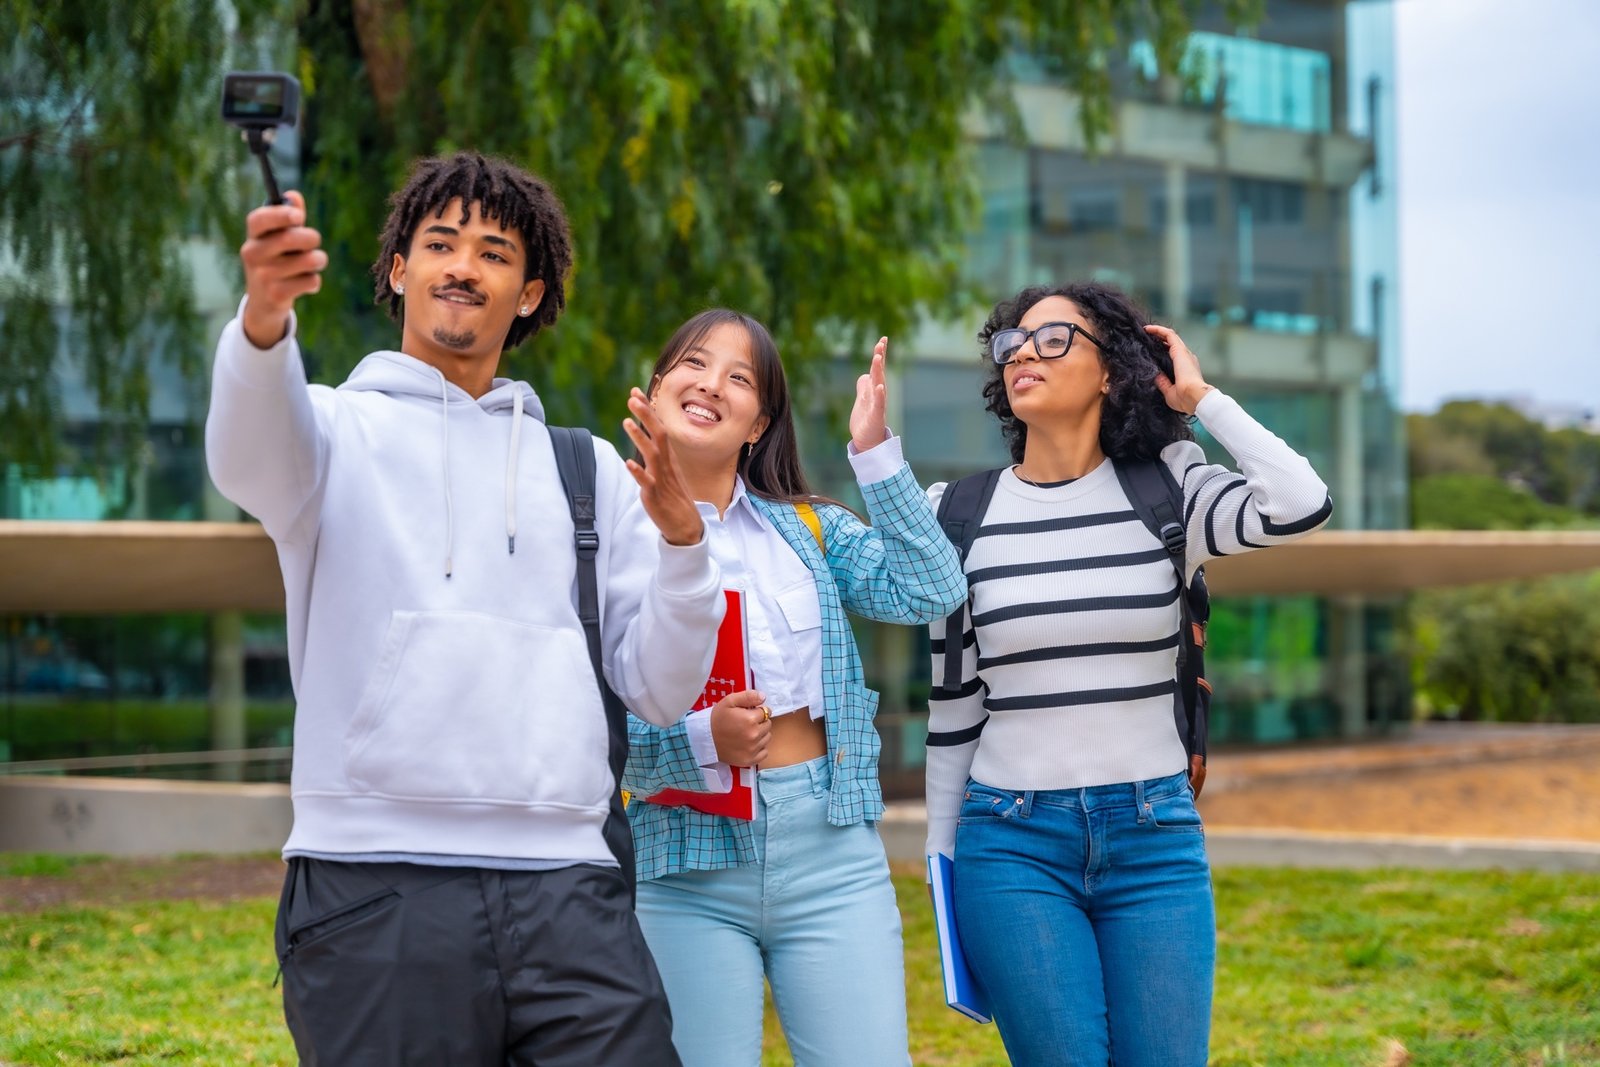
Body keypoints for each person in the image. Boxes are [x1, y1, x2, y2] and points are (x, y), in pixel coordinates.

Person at [205, 152, 724, 1066]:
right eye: (440, 243)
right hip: (374, 882)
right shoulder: (329, 430)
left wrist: (685, 547)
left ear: (529, 293)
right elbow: (245, 454)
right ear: (398, 269)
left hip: (570, 886)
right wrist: (263, 321)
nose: (463, 267)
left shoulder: (587, 471)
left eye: (494, 253)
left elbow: (660, 687)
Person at [923, 282, 1332, 1066]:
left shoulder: (1170, 490)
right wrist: (942, 865)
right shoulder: (959, 513)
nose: (1024, 353)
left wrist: (1200, 400)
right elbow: (954, 701)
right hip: (1010, 844)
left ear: (1112, 370)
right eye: (1013, 341)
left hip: (1154, 840)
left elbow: (1301, 500)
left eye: (1054, 338)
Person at [620, 309, 967, 1066]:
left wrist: (875, 454)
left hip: (832, 853)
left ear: (759, 424)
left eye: (738, 377)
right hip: (683, 863)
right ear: (656, 387)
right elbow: (589, 728)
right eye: (694, 364)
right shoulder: (611, 535)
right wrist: (702, 740)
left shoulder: (806, 529)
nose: (711, 384)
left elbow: (933, 590)